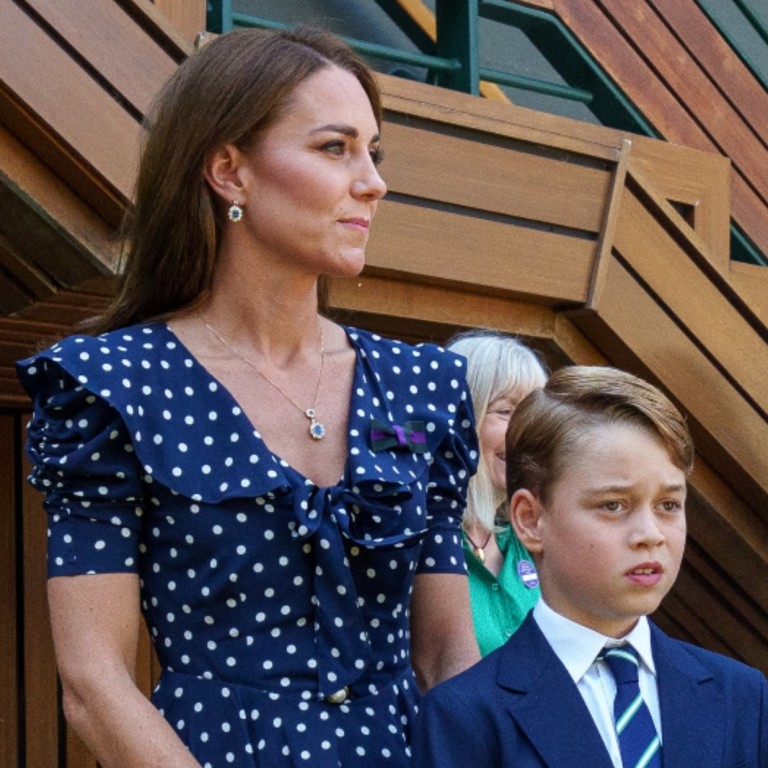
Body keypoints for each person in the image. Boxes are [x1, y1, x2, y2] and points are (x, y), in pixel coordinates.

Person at [17, 27, 480, 768]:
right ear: (230, 171)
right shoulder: (115, 387)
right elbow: (94, 681)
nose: (373, 181)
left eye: (374, 151)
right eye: (335, 148)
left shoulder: (420, 387)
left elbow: (449, 653)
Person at [412, 366, 768, 768]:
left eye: (668, 505)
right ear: (530, 520)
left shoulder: (742, 695)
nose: (650, 534)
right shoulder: (465, 714)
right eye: (613, 505)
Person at [446, 329, 547, 655]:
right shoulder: (415, 538)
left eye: (534, 416)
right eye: (506, 412)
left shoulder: (534, 537)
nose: (527, 434)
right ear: (460, 419)